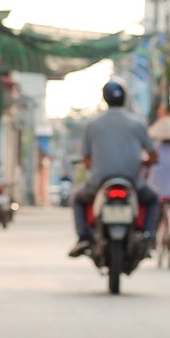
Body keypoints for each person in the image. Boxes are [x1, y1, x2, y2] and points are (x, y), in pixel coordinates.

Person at [69, 81, 159, 258]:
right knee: (154, 198)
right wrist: (145, 163)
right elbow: (153, 155)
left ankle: (83, 237)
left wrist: (93, 168)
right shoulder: (137, 123)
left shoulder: (92, 125)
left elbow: (86, 159)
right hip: (132, 182)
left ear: (105, 99)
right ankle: (149, 237)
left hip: (99, 182)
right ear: (125, 99)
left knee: (77, 198)